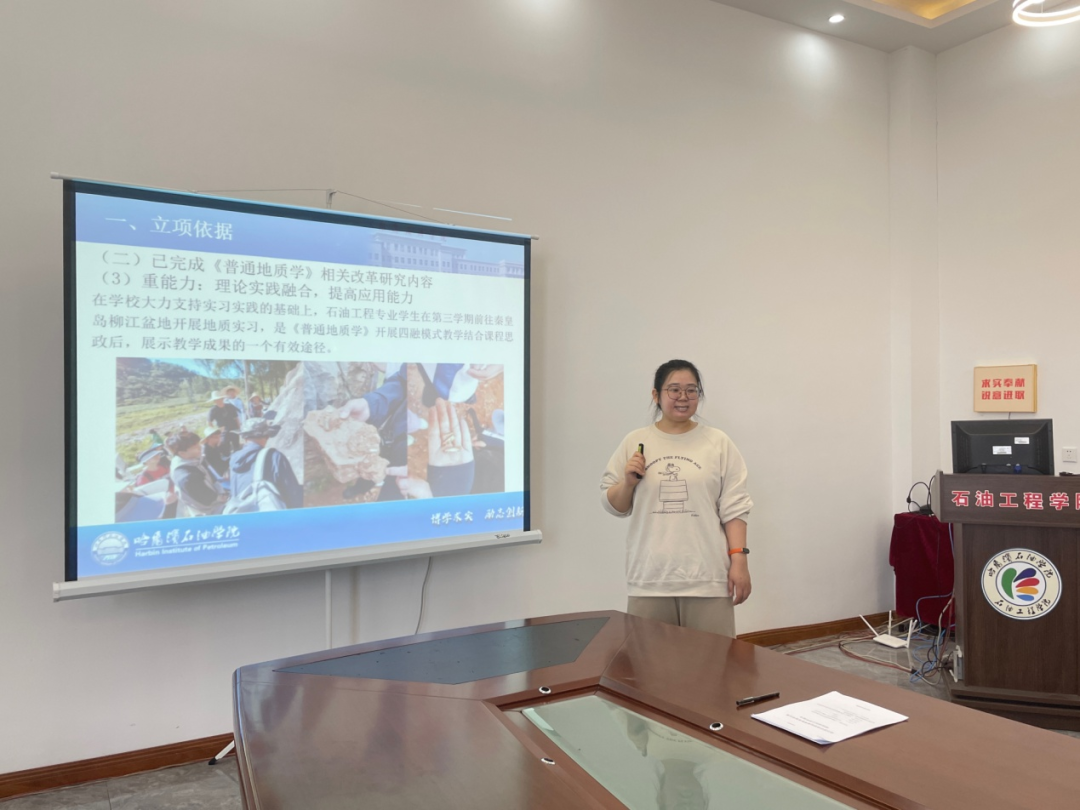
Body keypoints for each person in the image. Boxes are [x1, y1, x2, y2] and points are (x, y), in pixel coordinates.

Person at [599, 359, 752, 637]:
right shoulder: (635, 441)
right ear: (656, 395)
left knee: (714, 661)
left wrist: (739, 561)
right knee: (649, 662)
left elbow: (734, 508)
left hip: (707, 577)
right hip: (649, 578)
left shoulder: (718, 442)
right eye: (674, 389)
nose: (683, 397)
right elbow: (614, 506)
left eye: (691, 390)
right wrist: (628, 483)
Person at [229, 418, 303, 509]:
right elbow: (292, 493)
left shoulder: (234, 458)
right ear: (267, 436)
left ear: (244, 438)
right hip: (268, 515)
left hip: (241, 513)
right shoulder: (274, 457)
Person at [167, 431, 228, 517]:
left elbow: (210, 475)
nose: (200, 447)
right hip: (207, 510)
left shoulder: (193, 458)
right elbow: (206, 499)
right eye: (195, 447)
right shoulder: (186, 477)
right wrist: (221, 498)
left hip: (215, 493)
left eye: (198, 444)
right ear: (182, 453)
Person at [207, 390, 242, 454]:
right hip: (223, 431)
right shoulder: (213, 410)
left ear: (222, 399)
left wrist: (239, 428)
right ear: (214, 401)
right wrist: (214, 433)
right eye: (216, 400)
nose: (218, 401)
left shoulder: (230, 406)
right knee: (225, 448)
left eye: (219, 399)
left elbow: (236, 418)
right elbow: (209, 422)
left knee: (237, 447)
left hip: (234, 428)